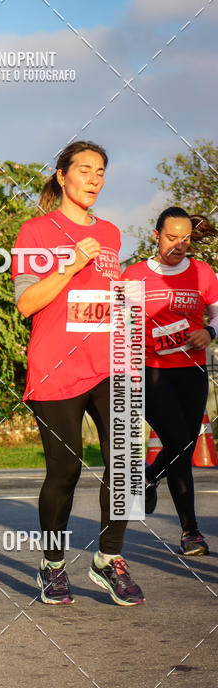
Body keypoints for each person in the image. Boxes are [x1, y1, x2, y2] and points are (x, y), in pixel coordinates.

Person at [13, 140, 145, 606]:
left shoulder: (111, 233)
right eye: (85, 169)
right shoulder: (35, 231)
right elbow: (26, 303)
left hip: (110, 364)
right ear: (62, 176)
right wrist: (71, 266)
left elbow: (111, 301)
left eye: (101, 171)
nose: (94, 178)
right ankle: (52, 566)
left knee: (127, 463)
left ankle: (109, 560)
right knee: (64, 469)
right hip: (56, 368)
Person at [123, 208, 218, 555]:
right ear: (155, 235)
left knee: (185, 444)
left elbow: (217, 314)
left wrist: (208, 332)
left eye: (186, 238)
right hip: (151, 372)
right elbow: (120, 327)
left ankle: (149, 479)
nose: (179, 244)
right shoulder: (133, 275)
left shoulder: (202, 273)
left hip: (192, 371)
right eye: (171, 237)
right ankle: (191, 531)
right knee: (179, 440)